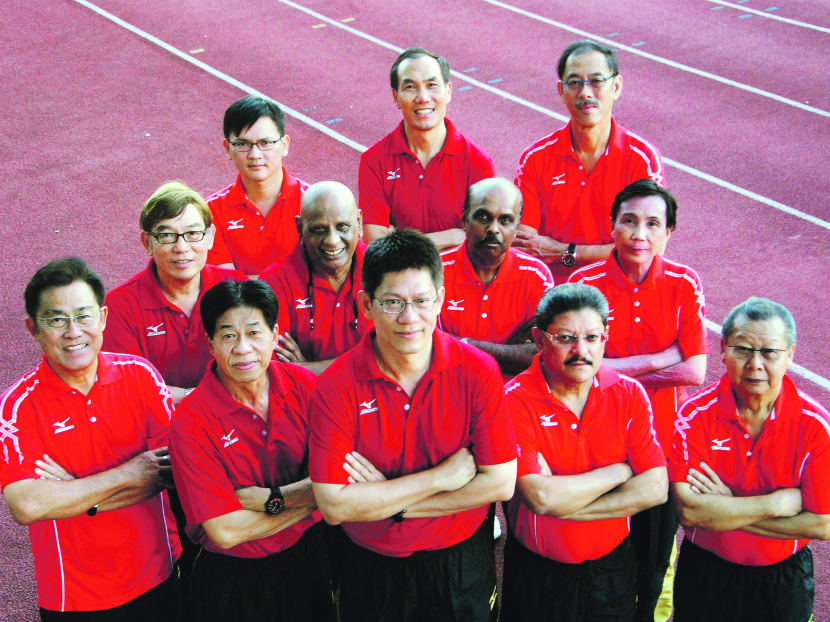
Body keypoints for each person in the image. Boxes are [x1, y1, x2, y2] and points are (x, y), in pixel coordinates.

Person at [309, 229, 517, 621]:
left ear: (440, 298)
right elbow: (335, 506)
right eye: (392, 303)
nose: (409, 318)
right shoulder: (337, 385)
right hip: (371, 566)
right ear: (366, 305)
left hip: (459, 563)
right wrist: (440, 477)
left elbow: (500, 483)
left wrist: (391, 504)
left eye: (422, 301)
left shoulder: (477, 371)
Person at [0, 257, 180, 620]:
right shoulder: (17, 407)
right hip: (73, 598)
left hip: (162, 576)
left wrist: (74, 496)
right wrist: (130, 472)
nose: (73, 331)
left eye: (83, 316)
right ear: (33, 328)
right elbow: (28, 506)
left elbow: (172, 471)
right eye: (56, 319)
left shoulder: (141, 377)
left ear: (102, 318)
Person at [569, 179, 707, 621]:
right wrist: (659, 358)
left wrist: (611, 367)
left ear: (669, 233)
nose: (639, 234)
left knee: (654, 556)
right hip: (596, 446)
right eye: (629, 221)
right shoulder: (583, 284)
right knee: (594, 550)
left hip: (659, 446)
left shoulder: (684, 284)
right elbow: (578, 370)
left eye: (653, 224)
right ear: (612, 227)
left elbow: (695, 371)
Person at [168, 280, 335, 621]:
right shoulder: (190, 420)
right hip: (232, 578)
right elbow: (226, 532)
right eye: (228, 335)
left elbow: (342, 477)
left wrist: (269, 498)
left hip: (308, 559)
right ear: (210, 344)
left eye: (254, 333)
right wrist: (319, 501)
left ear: (275, 336)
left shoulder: (305, 387)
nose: (243, 349)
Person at [502, 282, 668, 621]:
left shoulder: (629, 394)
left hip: (611, 572)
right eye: (565, 338)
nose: (581, 350)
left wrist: (565, 505)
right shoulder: (513, 400)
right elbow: (542, 497)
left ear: (605, 337)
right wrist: (620, 472)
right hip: (538, 576)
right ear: (538, 339)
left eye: (592, 338)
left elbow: (655, 487)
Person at [670, 297, 830, 622]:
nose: (755, 364)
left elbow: (822, 524)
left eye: (769, 351)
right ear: (723, 350)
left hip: (784, 582)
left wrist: (725, 506)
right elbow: (688, 512)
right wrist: (777, 504)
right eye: (743, 349)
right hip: (706, 575)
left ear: (791, 356)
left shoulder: (816, 427)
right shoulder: (693, 417)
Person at [514, 40, 664, 279]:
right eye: (574, 83)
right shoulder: (536, 159)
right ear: (561, 91)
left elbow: (647, 249)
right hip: (555, 294)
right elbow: (526, 247)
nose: (585, 93)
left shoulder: (641, 160)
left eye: (596, 81)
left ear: (616, 86)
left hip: (617, 288)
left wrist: (567, 253)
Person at [104, 181, 246, 405]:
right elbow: (128, 385)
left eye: (192, 233)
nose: (181, 248)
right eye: (167, 236)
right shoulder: (119, 307)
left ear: (210, 237)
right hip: (159, 423)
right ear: (147, 242)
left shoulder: (238, 286)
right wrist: (199, 397)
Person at [359, 47, 495, 251]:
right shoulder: (374, 161)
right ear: (396, 97)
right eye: (410, 87)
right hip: (399, 278)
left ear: (448, 91)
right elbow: (375, 243)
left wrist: (396, 237)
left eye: (432, 85)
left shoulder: (477, 162)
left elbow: (483, 238)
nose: (422, 97)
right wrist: (452, 236)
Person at [439, 177, 553, 376]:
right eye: (483, 217)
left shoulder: (537, 276)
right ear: (464, 220)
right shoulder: (434, 271)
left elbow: (541, 353)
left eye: (505, 220)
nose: (493, 229)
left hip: (513, 396)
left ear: (517, 226)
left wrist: (461, 343)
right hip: (448, 387)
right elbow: (425, 346)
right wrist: (509, 353)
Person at [261, 181, 370, 375]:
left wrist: (309, 369)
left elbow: (393, 355)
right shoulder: (274, 283)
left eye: (342, 227)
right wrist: (363, 360)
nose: (332, 240)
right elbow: (276, 370)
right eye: (319, 229)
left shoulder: (386, 271)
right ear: (300, 229)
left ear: (359, 223)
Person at [206, 95, 308, 277]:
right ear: (227, 148)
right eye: (242, 144)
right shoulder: (212, 212)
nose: (255, 154)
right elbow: (227, 286)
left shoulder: (312, 203)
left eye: (265, 143)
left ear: (284, 145)